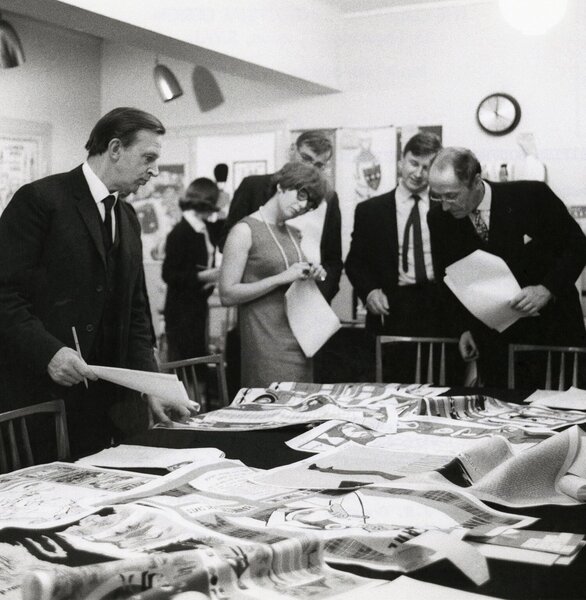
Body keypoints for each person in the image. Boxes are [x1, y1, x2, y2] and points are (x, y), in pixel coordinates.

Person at [0, 107, 198, 459]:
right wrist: (49, 352)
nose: (154, 171)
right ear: (116, 148)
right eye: (148, 158)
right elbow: (3, 294)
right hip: (42, 402)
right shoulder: (40, 200)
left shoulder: (126, 216)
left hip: (108, 409)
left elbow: (135, 313)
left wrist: (150, 385)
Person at [427, 146, 586, 387]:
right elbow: (445, 276)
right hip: (494, 340)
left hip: (552, 329)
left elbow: (578, 246)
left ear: (476, 182)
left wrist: (546, 288)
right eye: (437, 196)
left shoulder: (531, 196)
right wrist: (462, 329)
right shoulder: (439, 218)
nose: (445, 206)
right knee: (498, 411)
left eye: (451, 195)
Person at [345, 131, 453, 382]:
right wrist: (370, 291)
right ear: (401, 163)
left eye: (427, 167)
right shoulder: (370, 210)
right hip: (392, 308)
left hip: (441, 307)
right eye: (414, 163)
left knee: (442, 384)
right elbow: (355, 262)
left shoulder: (449, 207)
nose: (418, 173)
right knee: (393, 385)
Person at [219, 162, 327, 388]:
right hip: (265, 343)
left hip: (301, 339)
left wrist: (312, 271)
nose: (303, 205)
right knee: (270, 411)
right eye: (301, 195)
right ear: (281, 186)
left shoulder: (294, 233)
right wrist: (280, 278)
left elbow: (292, 276)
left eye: (309, 205)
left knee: (301, 413)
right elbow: (227, 294)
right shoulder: (243, 230)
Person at [221, 130, 342, 303]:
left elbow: (332, 258)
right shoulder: (253, 186)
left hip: (310, 298)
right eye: (306, 159)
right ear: (292, 150)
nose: (310, 168)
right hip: (259, 296)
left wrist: (321, 295)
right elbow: (226, 240)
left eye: (318, 165)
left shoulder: (328, 198)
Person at [162, 177, 221, 362]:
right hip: (181, 312)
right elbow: (169, 274)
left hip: (196, 307)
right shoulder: (180, 232)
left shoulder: (203, 228)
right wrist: (203, 276)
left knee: (196, 362)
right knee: (185, 366)